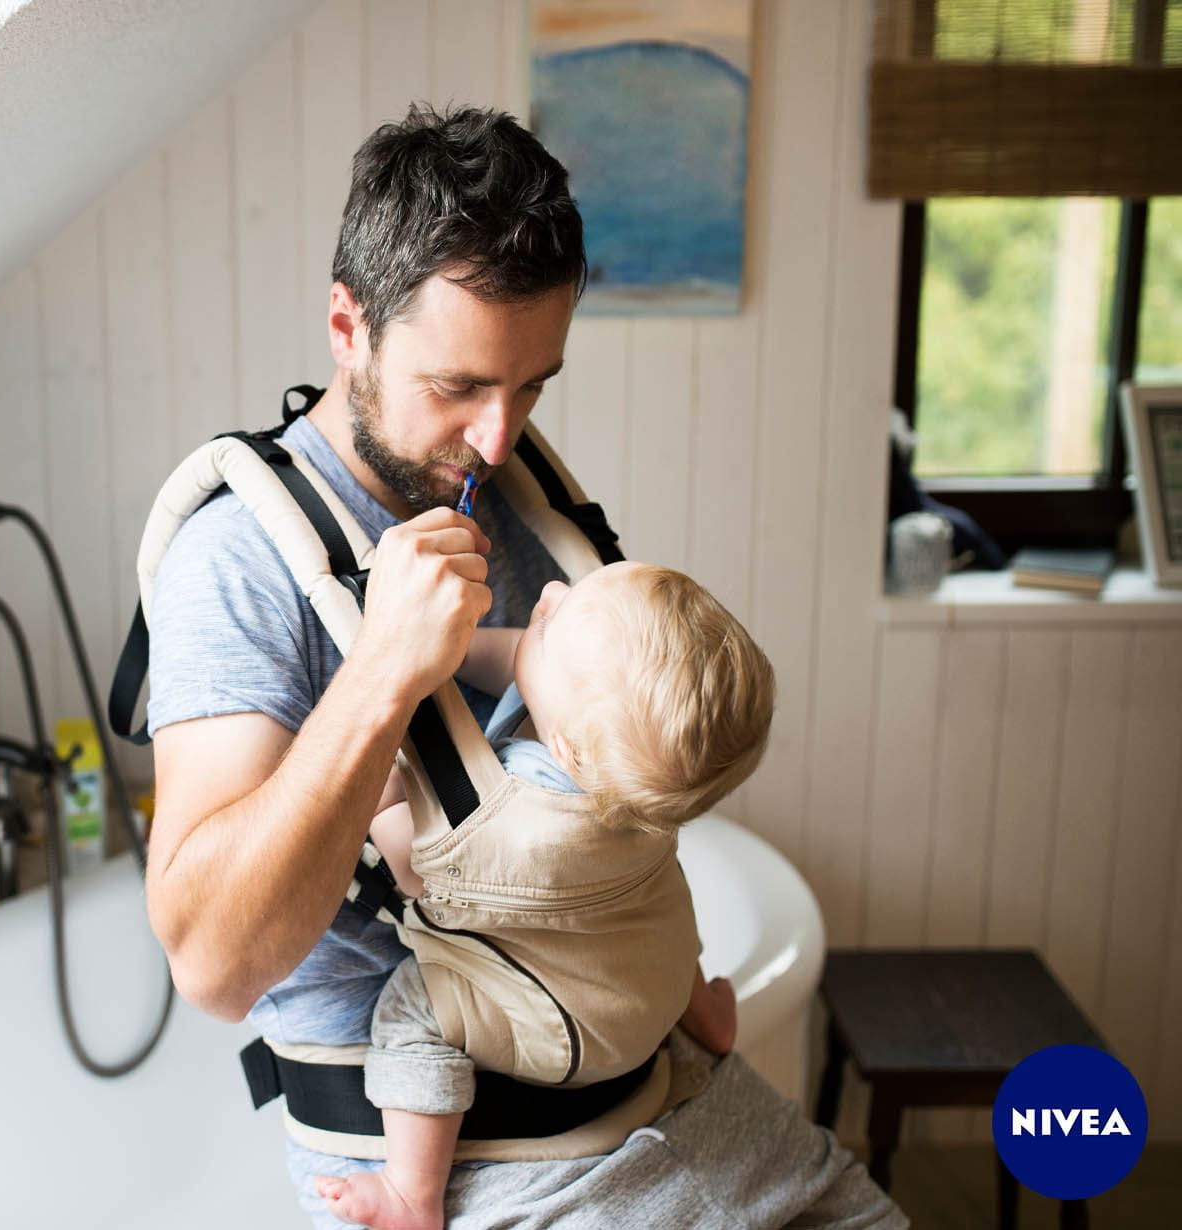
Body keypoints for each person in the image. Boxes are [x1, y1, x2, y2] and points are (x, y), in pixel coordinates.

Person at [144, 104, 906, 1229]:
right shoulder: (239, 567)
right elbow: (211, 970)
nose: (497, 439)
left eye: (533, 386)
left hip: (665, 1090)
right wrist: (379, 678)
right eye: (458, 387)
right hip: (459, 1164)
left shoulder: (511, 488)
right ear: (347, 328)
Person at [314, 561, 769, 1230]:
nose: (548, 594)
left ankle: (413, 1192)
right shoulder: (635, 777)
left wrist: (386, 749)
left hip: (569, 1035)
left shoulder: (501, 825)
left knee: (413, 1007)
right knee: (658, 910)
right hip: (653, 991)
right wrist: (453, 647)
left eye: (553, 618)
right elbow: (524, 663)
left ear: (560, 745)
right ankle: (708, 1018)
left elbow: (404, 858)